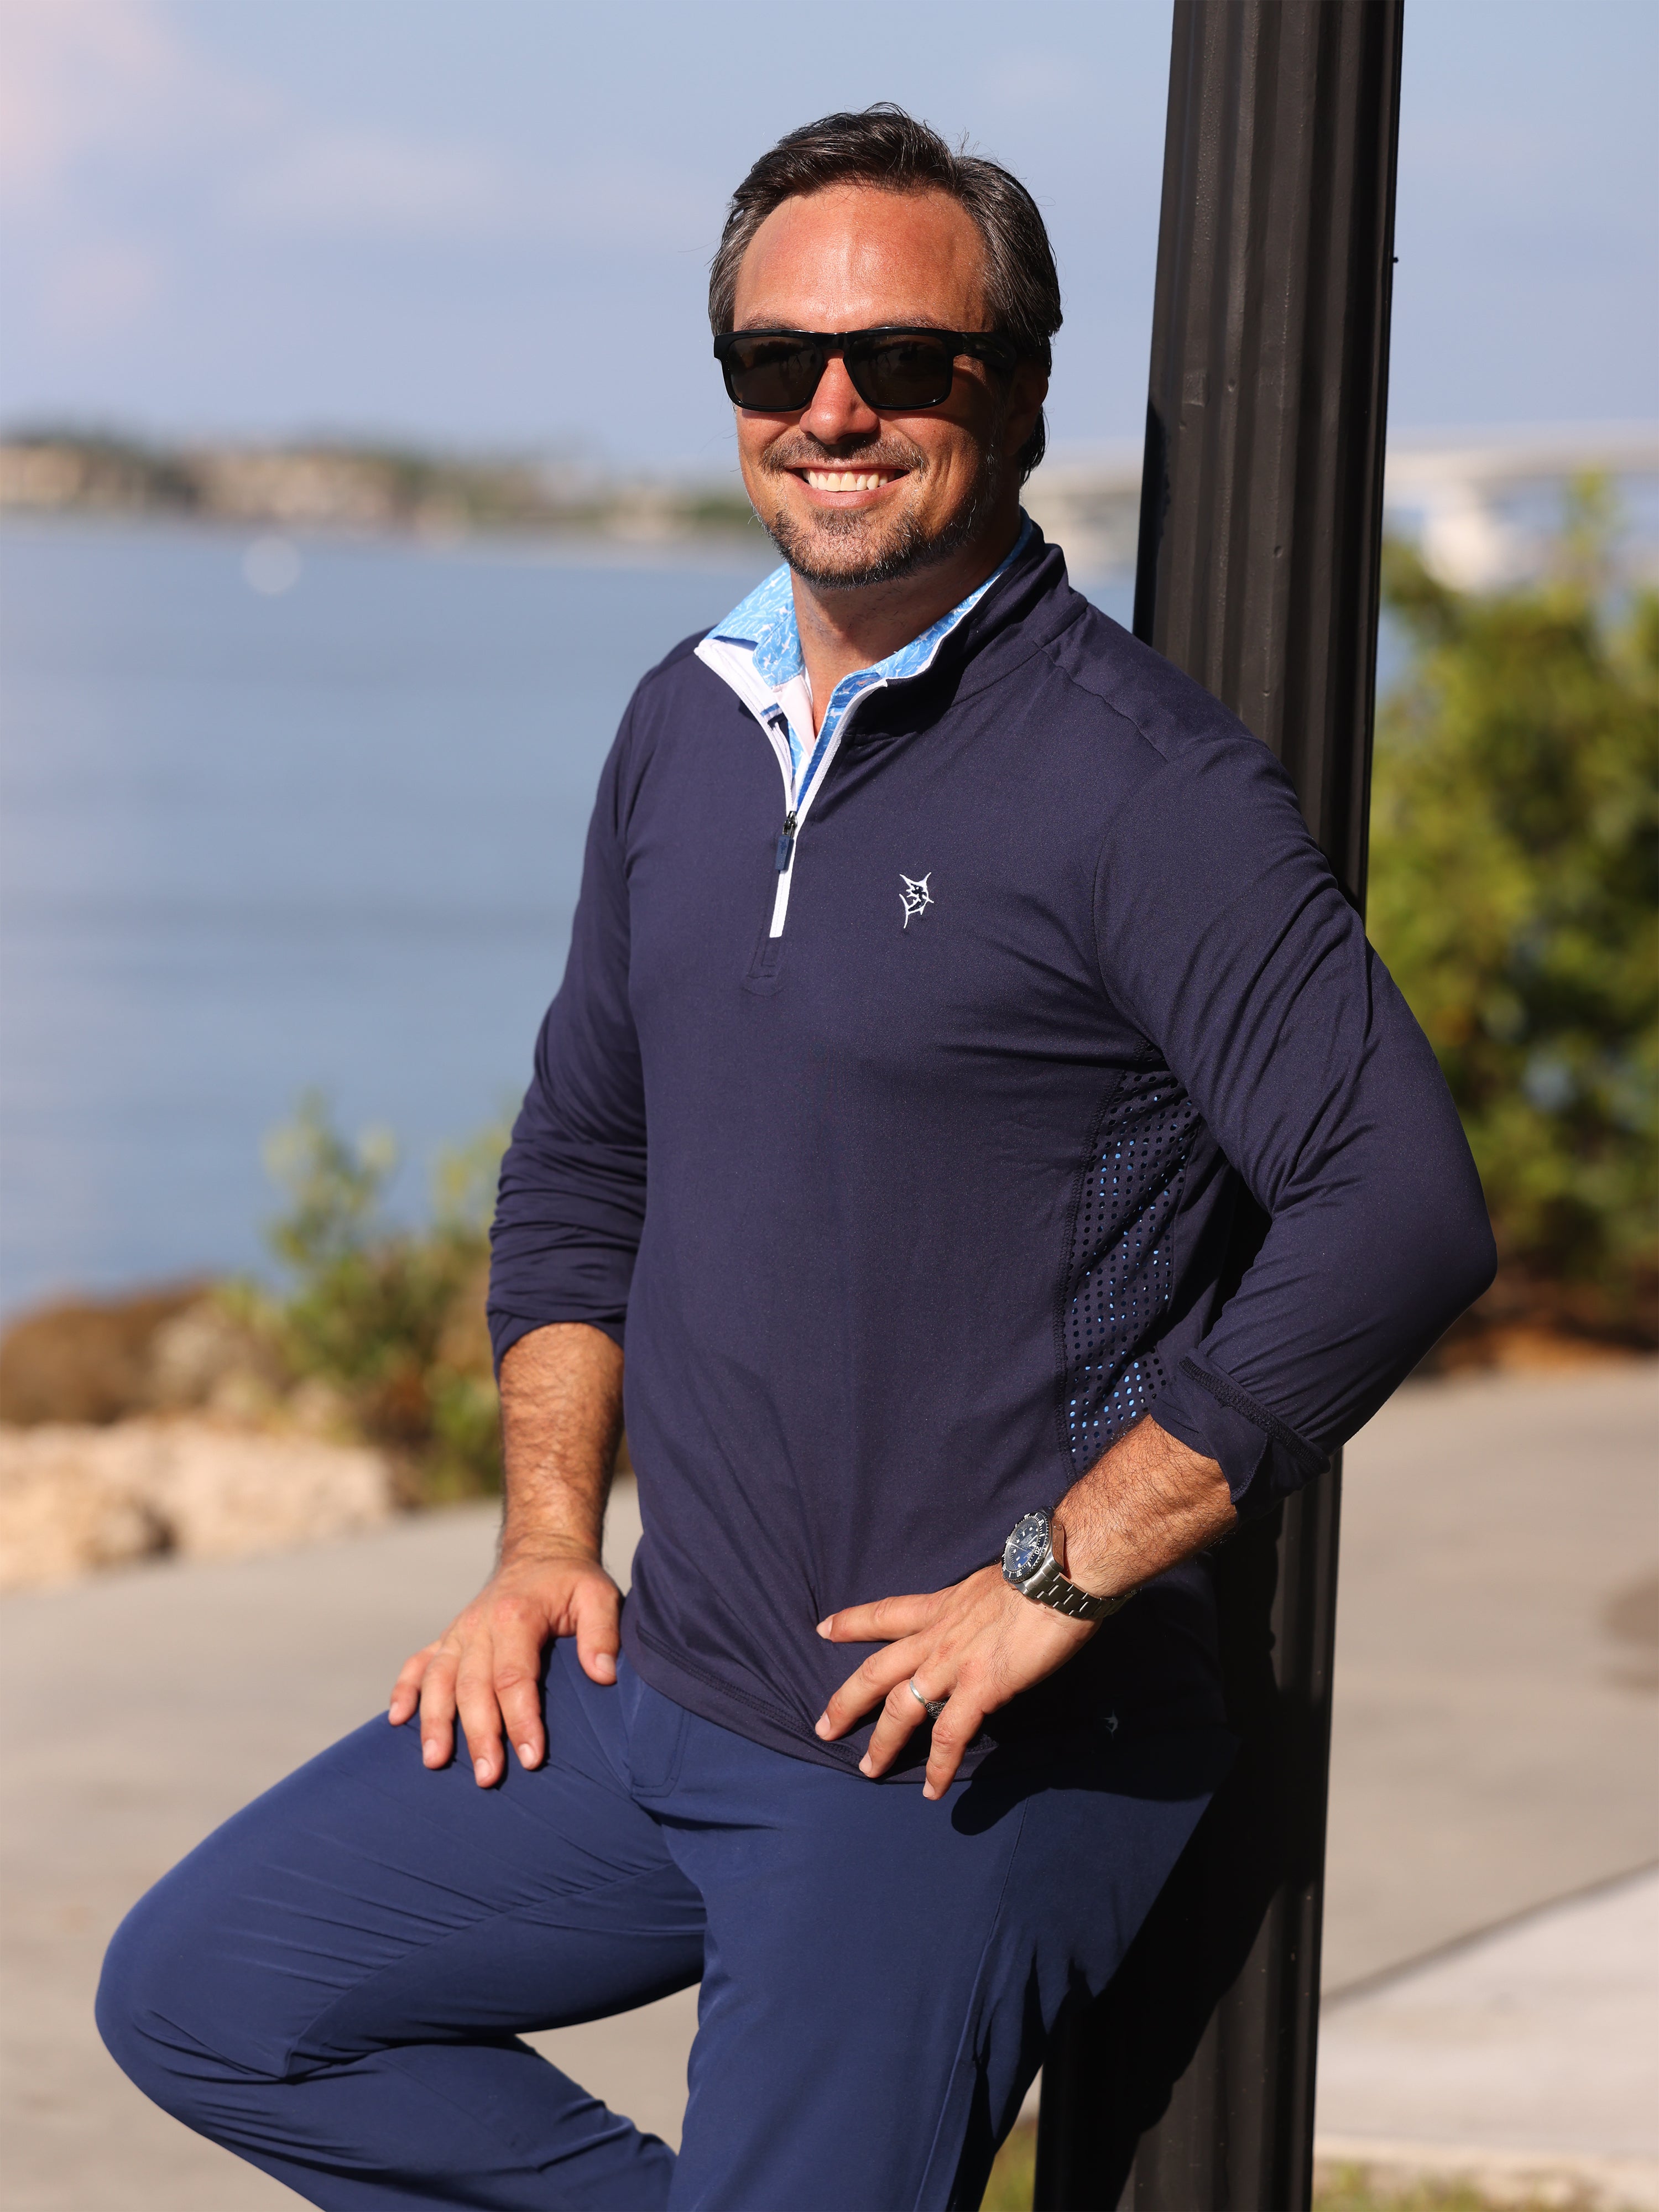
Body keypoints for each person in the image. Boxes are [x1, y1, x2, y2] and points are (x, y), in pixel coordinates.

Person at [97, 106, 1495, 2211]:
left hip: (952, 1762)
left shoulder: (1141, 787)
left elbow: (1396, 1203)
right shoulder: (688, 721)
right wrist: (545, 1548)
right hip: (670, 1691)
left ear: (1014, 391)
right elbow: (582, 1167)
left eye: (906, 365)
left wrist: (1061, 1575)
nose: (835, 410)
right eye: (779, 365)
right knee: (215, 1993)